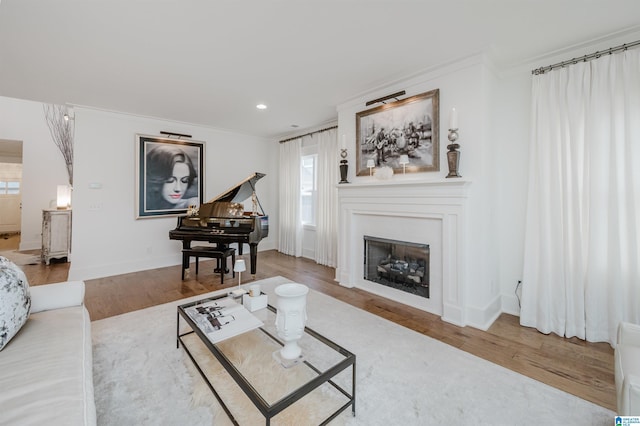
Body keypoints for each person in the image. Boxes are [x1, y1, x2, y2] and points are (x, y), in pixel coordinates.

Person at [145, 144, 199, 211]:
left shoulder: (190, 203)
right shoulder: (144, 204)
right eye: (170, 180)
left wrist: (193, 210)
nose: (178, 189)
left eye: (184, 181)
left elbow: (193, 212)